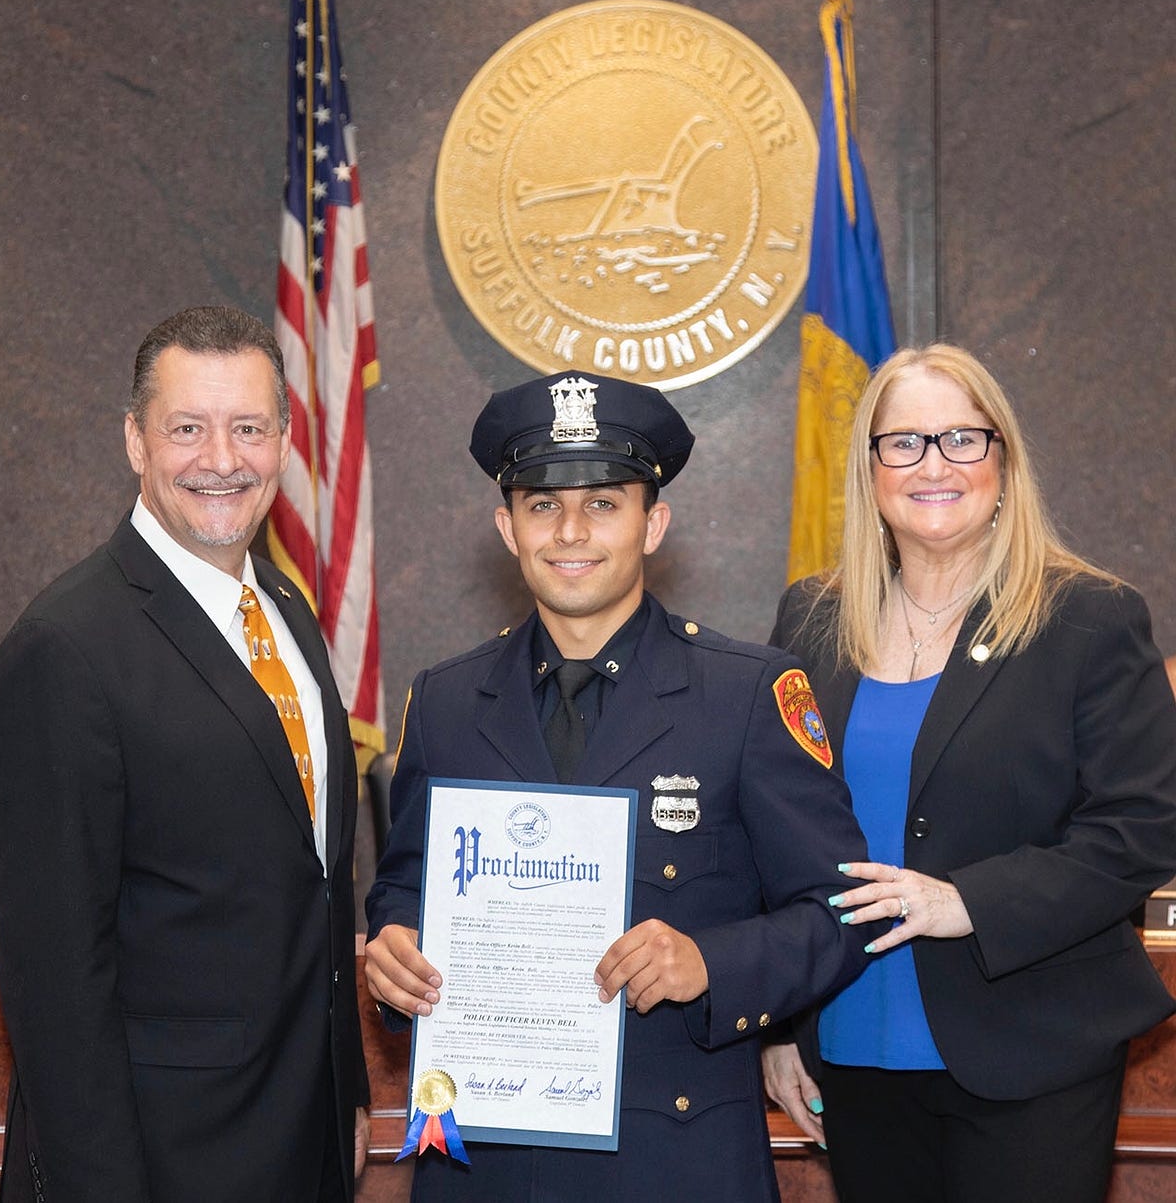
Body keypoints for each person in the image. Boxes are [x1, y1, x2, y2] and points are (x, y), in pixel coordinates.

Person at [364, 371, 876, 1202]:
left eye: (604, 503)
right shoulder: (447, 701)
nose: (570, 530)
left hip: (675, 1161)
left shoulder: (748, 693)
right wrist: (393, 948)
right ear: (506, 527)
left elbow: (841, 910)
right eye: (541, 505)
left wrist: (711, 959)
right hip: (481, 1163)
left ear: (654, 522)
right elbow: (403, 885)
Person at [764, 343, 1176, 1203]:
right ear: (870, 469)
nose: (933, 464)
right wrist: (772, 1025)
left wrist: (966, 901)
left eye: (961, 438)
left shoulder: (1088, 618)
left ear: (1003, 458)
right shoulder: (811, 617)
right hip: (848, 1041)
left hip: (1030, 1046)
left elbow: (1140, 830)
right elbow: (775, 826)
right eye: (904, 442)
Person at [0, 307, 370, 1203]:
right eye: (187, 428)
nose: (221, 458)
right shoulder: (64, 648)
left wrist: (345, 1088)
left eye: (249, 428)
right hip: (158, 1160)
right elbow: (53, 978)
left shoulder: (288, 612)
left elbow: (317, 880)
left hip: (301, 1132)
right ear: (135, 440)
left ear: (282, 440)